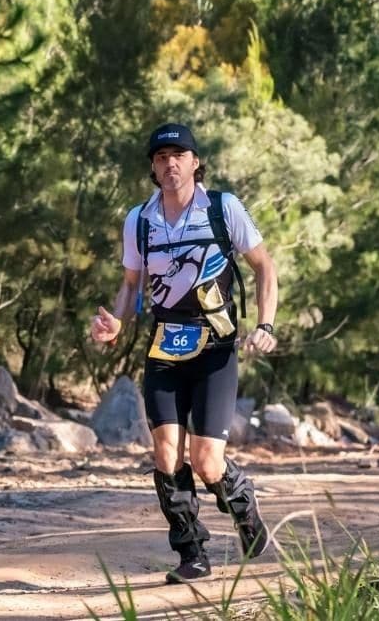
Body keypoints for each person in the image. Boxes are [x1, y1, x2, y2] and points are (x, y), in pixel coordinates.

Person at [89, 123, 278, 584]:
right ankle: (192, 552)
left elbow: (264, 267)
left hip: (216, 346)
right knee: (166, 453)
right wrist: (116, 321)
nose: (170, 163)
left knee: (207, 460)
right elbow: (131, 287)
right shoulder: (140, 220)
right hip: (165, 345)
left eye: (179, 154)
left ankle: (243, 508)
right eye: (161, 156)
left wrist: (266, 325)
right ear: (153, 168)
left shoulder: (222, 208)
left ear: (195, 162)